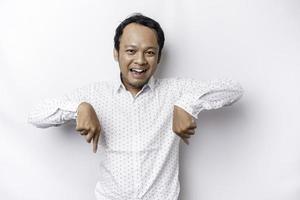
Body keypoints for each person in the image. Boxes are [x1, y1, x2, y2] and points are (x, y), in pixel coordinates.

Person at [28, 13, 243, 200]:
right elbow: (35, 115)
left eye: (149, 52)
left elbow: (234, 90)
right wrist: (80, 108)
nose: (140, 60)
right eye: (131, 51)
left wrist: (186, 105)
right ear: (116, 53)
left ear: (159, 57)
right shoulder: (95, 94)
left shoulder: (175, 91)